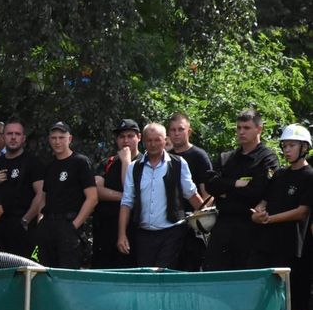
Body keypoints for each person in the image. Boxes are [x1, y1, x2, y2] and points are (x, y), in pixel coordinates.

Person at [248, 124, 312, 310]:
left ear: (304, 147)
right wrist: (257, 212)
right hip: (269, 242)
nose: (286, 150)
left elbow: (302, 212)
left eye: (292, 145)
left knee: (295, 294)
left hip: (294, 245)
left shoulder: (309, 175)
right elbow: (264, 200)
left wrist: (268, 220)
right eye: (284, 146)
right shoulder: (280, 174)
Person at [203, 109, 279, 271]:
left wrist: (224, 190)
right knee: (216, 274)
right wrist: (236, 183)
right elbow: (210, 184)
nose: (241, 132)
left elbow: (257, 191)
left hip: (250, 226)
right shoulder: (227, 157)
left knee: (246, 276)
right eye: (238, 128)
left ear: (259, 129)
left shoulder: (267, 158)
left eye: (246, 127)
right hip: (223, 224)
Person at [117, 123, 202, 268]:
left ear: (165, 140)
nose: (153, 144)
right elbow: (127, 201)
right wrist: (121, 235)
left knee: (162, 273)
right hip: (144, 234)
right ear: (143, 141)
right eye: (149, 140)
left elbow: (191, 194)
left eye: (157, 140)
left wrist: (207, 219)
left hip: (173, 232)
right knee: (146, 275)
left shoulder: (178, 164)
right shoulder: (134, 167)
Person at [36, 122, 97, 269]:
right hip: (48, 225)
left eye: (61, 137)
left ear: (70, 139)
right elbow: (44, 197)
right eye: (54, 138)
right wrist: (40, 221)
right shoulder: (50, 166)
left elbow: (92, 197)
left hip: (69, 224)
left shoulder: (80, 162)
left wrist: (74, 225)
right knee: (46, 271)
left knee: (67, 273)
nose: (57, 141)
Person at [0, 119, 44, 258]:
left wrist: (26, 220)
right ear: (3, 137)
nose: (13, 137)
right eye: (9, 134)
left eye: (17, 134)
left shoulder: (33, 163)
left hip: (22, 227)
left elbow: (41, 194)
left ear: (23, 138)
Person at [167, 112, 214, 270]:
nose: (176, 133)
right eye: (172, 130)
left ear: (189, 131)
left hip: (193, 226)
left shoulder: (199, 156)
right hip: (169, 225)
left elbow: (208, 195)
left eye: (180, 129)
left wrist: (201, 218)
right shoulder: (165, 157)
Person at [92, 119, 140, 268]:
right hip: (105, 230)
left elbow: (129, 187)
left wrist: (126, 162)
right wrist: (124, 198)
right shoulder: (108, 162)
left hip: (132, 230)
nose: (126, 141)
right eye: (121, 137)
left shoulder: (145, 163)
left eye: (130, 136)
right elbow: (96, 191)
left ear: (139, 137)